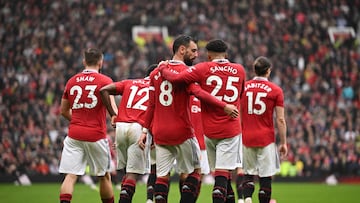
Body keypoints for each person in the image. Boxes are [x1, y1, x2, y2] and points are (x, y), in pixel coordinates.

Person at [139, 35, 239, 203]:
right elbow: (198, 93)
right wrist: (224, 106)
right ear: (182, 49)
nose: (196, 54)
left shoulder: (155, 73)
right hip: (182, 131)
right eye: (193, 51)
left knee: (162, 176)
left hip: (160, 133)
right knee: (195, 171)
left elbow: (151, 105)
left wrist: (145, 131)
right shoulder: (187, 73)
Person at [59, 48, 117, 203]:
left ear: (84, 61)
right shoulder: (105, 81)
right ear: (100, 62)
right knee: (104, 176)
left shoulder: (71, 81)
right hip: (96, 135)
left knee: (70, 176)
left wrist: (79, 122)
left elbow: (63, 111)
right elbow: (114, 112)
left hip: (74, 134)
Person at [100, 64, 158, 203]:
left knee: (127, 172)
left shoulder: (129, 82)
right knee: (133, 174)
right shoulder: (157, 88)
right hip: (138, 128)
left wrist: (113, 114)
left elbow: (103, 90)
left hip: (120, 127)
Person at [240, 56, 288, 203]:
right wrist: (283, 142)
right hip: (266, 138)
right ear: (268, 71)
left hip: (247, 137)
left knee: (248, 174)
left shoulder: (243, 87)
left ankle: (247, 198)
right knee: (265, 176)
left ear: (254, 70)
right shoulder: (276, 90)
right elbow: (280, 119)